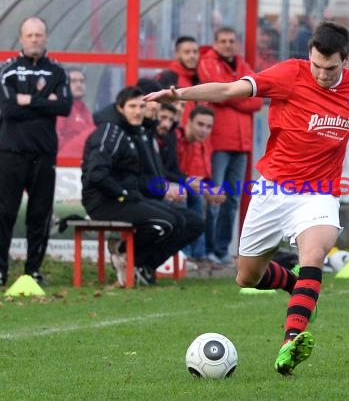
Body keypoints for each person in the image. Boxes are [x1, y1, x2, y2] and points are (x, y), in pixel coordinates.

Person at [144, 20, 349, 375]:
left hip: (319, 193)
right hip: (272, 190)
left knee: (314, 253)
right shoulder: (289, 74)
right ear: (309, 55)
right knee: (246, 276)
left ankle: (292, 341)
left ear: (344, 61)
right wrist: (180, 94)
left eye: (330, 67)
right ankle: (297, 286)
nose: (321, 73)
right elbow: (230, 90)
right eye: (316, 64)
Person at [82, 86, 203, 286]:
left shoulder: (136, 130)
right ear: (120, 108)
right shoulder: (110, 132)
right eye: (132, 106)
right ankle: (124, 252)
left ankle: (141, 265)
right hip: (106, 202)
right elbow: (97, 175)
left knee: (189, 222)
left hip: (130, 197)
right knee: (167, 222)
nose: (138, 111)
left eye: (141, 106)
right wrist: (122, 193)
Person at [0, 17, 72, 286]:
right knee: (5, 213)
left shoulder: (57, 71)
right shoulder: (6, 70)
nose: (34, 39)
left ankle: (33, 271)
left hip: (44, 153)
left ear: (45, 37)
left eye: (39, 35)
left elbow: (64, 106)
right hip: (10, 152)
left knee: (39, 215)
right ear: (21, 37)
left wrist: (26, 100)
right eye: (29, 35)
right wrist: (44, 102)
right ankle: (1, 271)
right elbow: (8, 110)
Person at [197, 26, 263, 267]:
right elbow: (218, 93)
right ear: (215, 43)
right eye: (223, 40)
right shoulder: (208, 62)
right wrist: (237, 95)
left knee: (233, 199)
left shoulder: (242, 65)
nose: (227, 44)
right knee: (215, 197)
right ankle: (207, 250)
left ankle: (222, 250)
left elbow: (257, 100)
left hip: (241, 144)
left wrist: (231, 95)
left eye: (231, 40)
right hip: (218, 142)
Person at [177, 105, 225, 267]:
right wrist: (206, 190)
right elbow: (171, 172)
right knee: (186, 197)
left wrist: (210, 191)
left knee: (211, 200)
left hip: (183, 187)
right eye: (200, 124)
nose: (204, 130)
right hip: (163, 186)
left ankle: (200, 255)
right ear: (189, 122)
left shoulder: (198, 144)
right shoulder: (177, 138)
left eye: (208, 126)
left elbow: (196, 179)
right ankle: (185, 255)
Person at [156, 36, 200, 125]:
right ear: (177, 54)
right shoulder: (165, 78)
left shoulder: (201, 78)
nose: (192, 56)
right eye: (187, 52)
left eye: (195, 52)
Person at [56, 67, 96, 158]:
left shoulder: (85, 109)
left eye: (82, 81)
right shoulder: (61, 108)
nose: (79, 85)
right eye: (73, 81)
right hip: (66, 162)